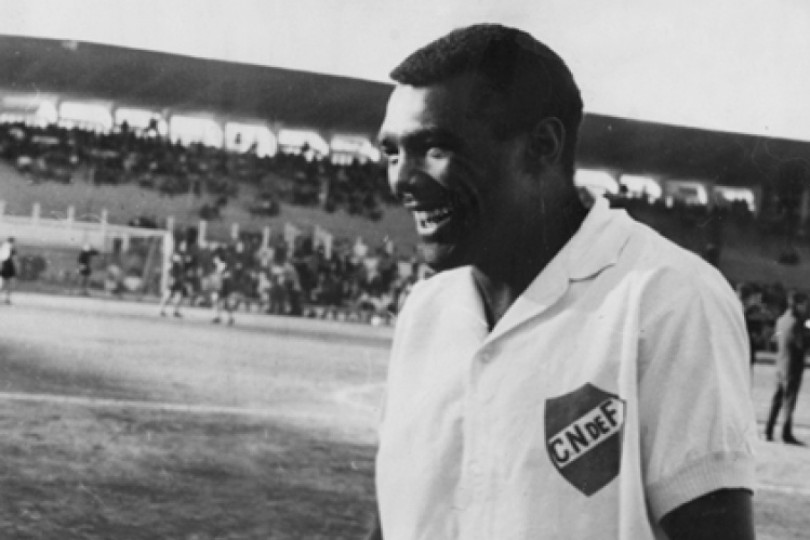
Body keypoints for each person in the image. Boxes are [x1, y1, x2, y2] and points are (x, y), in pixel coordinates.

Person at [371, 24, 755, 540]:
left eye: (435, 148)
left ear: (542, 145)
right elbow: (396, 518)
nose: (402, 178)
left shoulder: (669, 299)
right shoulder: (425, 309)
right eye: (392, 152)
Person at [765, 292, 808, 445]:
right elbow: (801, 344)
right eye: (803, 304)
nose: (805, 307)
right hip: (793, 366)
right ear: (797, 304)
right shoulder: (797, 322)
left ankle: (768, 430)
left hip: (781, 363)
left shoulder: (781, 320)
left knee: (777, 398)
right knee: (789, 400)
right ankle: (786, 433)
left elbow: (775, 339)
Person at [0, 236, 17, 304]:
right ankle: (7, 298)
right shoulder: (10, 248)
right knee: (10, 283)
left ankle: (7, 298)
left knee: (4, 283)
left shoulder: (4, 247)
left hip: (4, 267)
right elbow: (14, 259)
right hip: (9, 267)